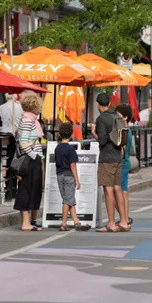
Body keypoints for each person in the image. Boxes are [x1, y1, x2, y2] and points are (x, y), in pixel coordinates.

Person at [94, 92, 127, 232]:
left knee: (108, 189)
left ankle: (111, 223)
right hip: (117, 156)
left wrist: (94, 133)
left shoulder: (101, 119)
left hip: (106, 158)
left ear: (97, 104)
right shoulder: (116, 116)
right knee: (118, 188)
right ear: (108, 104)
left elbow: (102, 140)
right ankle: (124, 221)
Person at [13, 91, 45, 231]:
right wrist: (34, 155)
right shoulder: (27, 120)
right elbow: (24, 141)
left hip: (33, 158)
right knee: (27, 189)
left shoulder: (30, 119)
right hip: (30, 160)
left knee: (33, 189)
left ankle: (29, 221)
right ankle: (25, 223)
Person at [54, 122, 89, 231]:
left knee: (68, 198)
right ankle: (63, 223)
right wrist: (77, 180)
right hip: (69, 175)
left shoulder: (57, 148)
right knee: (67, 200)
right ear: (71, 134)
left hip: (59, 175)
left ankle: (76, 221)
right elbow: (72, 165)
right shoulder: (71, 149)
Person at [116, 103, 134, 228]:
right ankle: (125, 217)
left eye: (118, 116)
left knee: (119, 191)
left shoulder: (123, 131)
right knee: (124, 191)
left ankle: (124, 217)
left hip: (121, 162)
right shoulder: (129, 131)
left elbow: (121, 148)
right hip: (126, 162)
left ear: (125, 118)